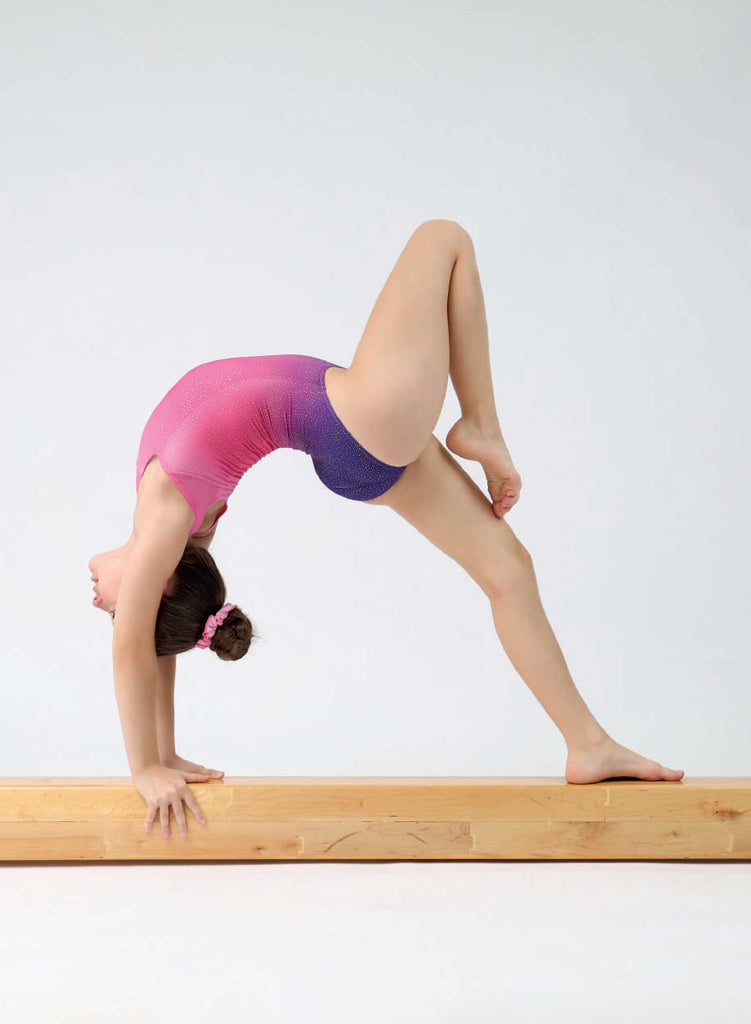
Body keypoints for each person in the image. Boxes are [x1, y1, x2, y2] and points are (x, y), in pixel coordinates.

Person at [88, 219, 684, 840]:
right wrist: (146, 766)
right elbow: (136, 646)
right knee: (443, 238)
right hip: (354, 416)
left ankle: (588, 744)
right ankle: (481, 424)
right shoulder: (163, 516)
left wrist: (168, 752)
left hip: (351, 436)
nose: (104, 602)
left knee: (510, 569)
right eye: (118, 608)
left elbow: (151, 646)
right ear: (155, 587)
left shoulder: (179, 527)